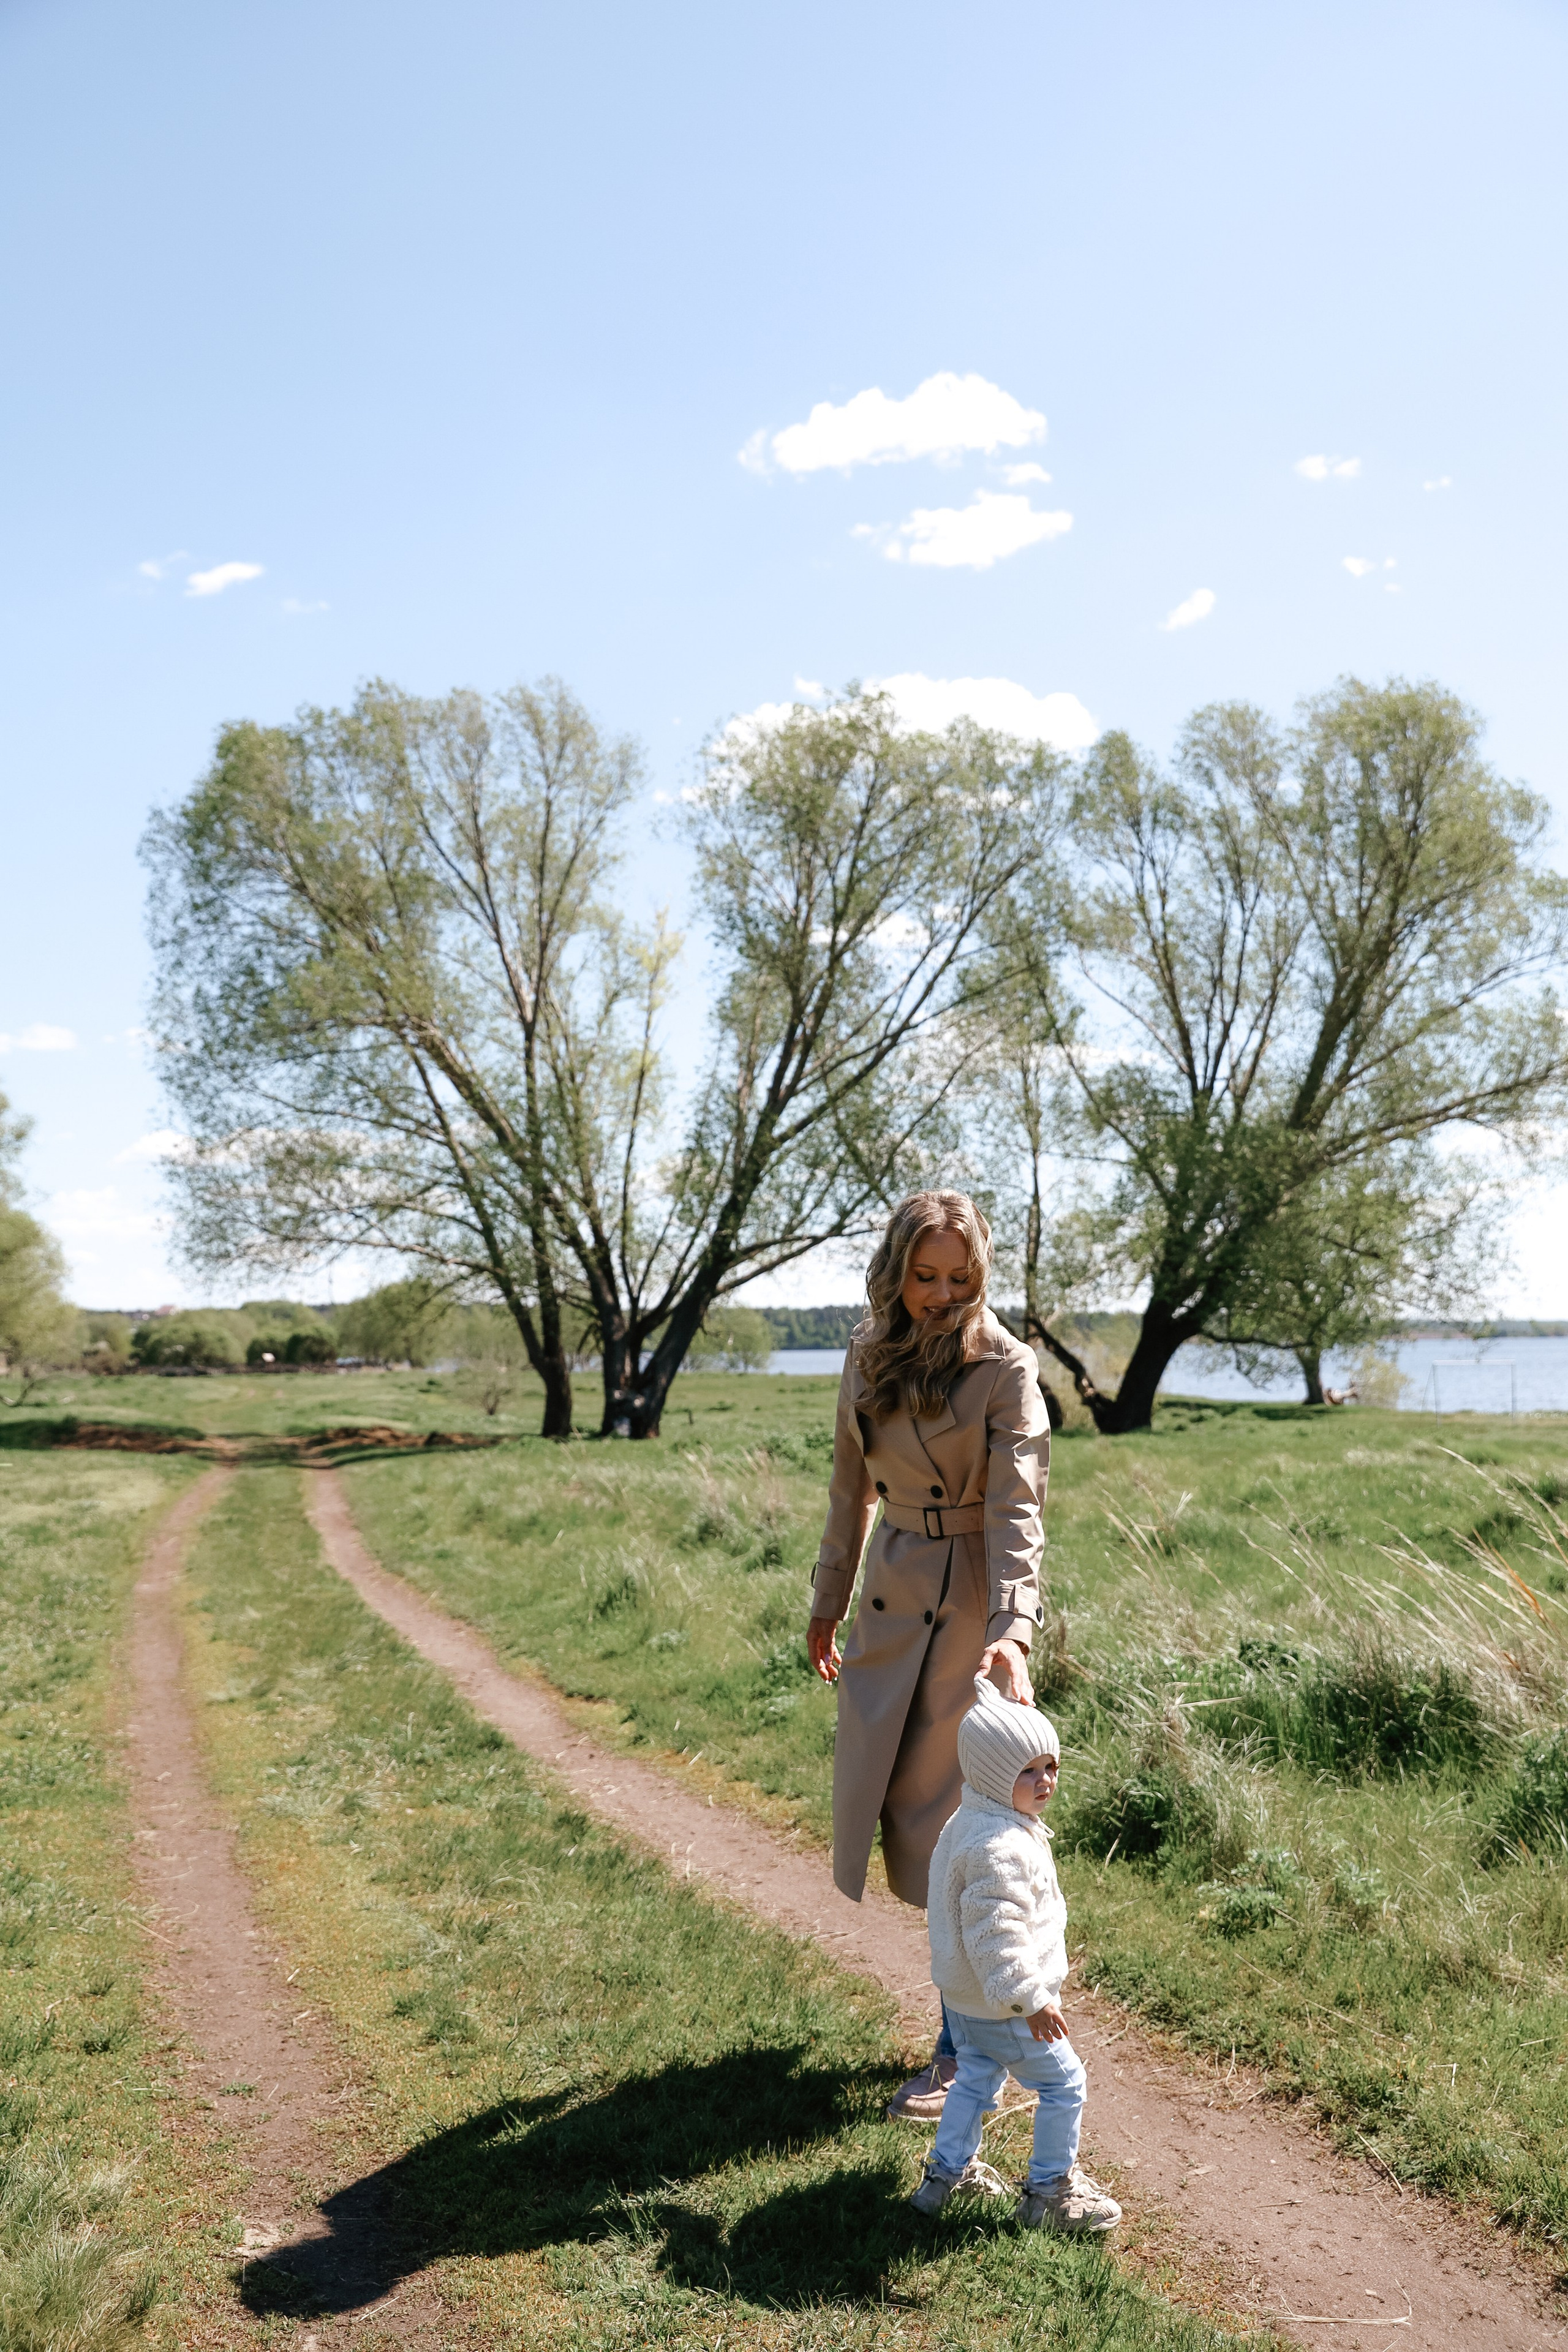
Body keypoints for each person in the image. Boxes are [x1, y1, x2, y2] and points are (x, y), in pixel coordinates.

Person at [807, 1190, 1051, 2121]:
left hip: (972, 1611)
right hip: (891, 1593)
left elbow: (1018, 1508)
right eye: (925, 1276)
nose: (943, 1295)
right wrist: (828, 1601)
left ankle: (965, 2057)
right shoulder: (867, 1352)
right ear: (895, 1272)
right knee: (907, 1829)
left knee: (961, 1833)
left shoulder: (1006, 1366)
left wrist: (1012, 1628)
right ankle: (980, 2035)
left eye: (960, 1277)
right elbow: (849, 1491)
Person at [908, 1682, 1121, 2234]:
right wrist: (1029, 1997)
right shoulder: (998, 1846)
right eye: (1027, 1771)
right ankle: (1049, 2192)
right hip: (1006, 2004)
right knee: (1065, 2084)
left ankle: (945, 2177)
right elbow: (994, 1932)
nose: (1045, 1780)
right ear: (990, 1774)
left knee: (976, 2078)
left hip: (967, 2002)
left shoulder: (972, 1820)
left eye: (1050, 1766)